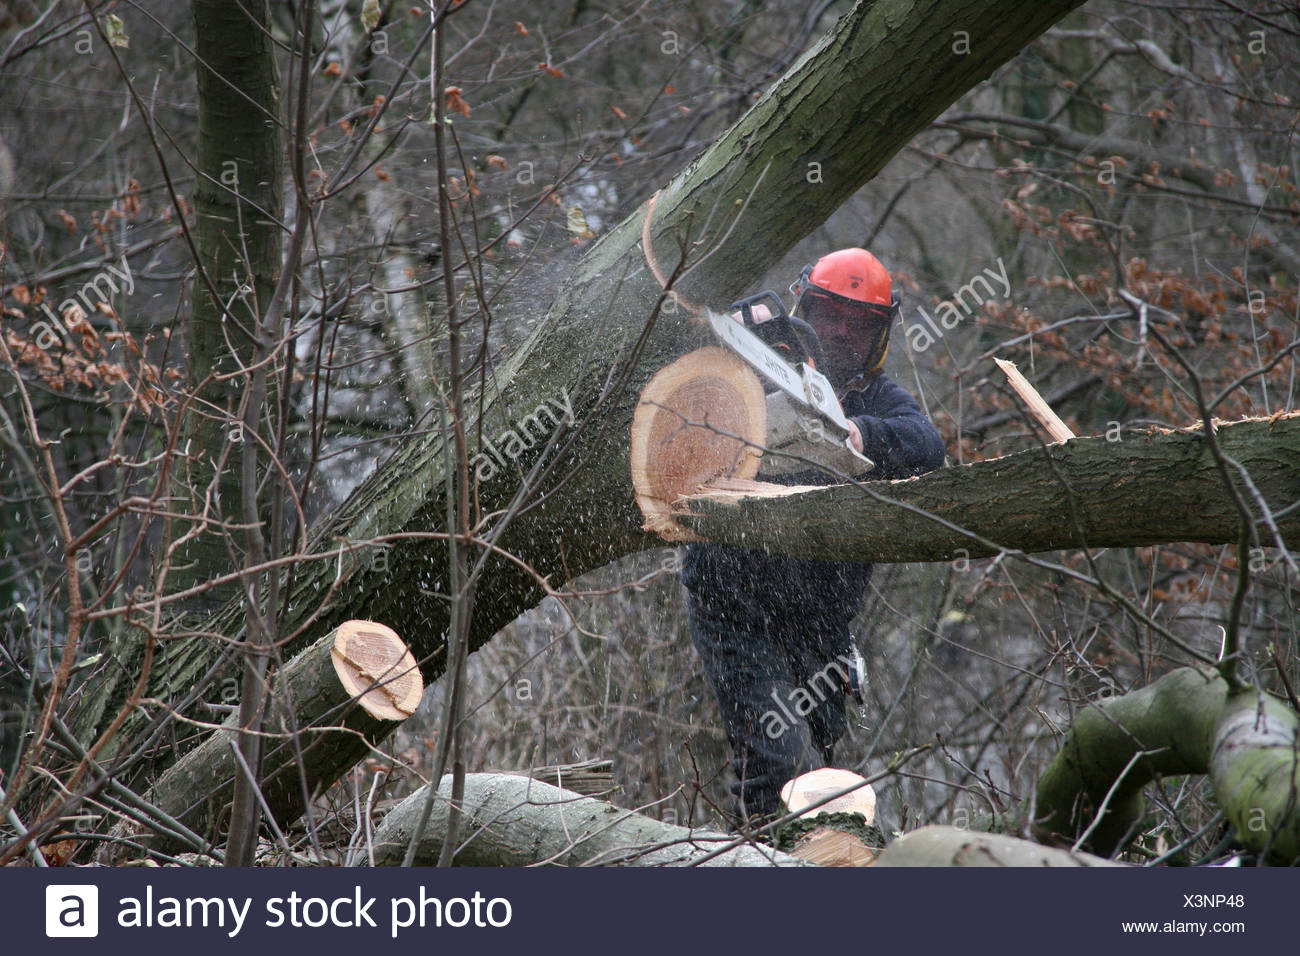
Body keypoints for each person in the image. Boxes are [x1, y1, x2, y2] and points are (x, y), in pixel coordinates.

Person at [681, 248, 945, 827]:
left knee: (812, 777)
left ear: (881, 331)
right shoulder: (758, 362)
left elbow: (929, 447)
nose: (844, 333)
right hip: (736, 605)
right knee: (785, 764)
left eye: (860, 323)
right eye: (831, 316)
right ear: (805, 309)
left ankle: (758, 859)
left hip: (821, 625)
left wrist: (855, 432)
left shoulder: (877, 399)